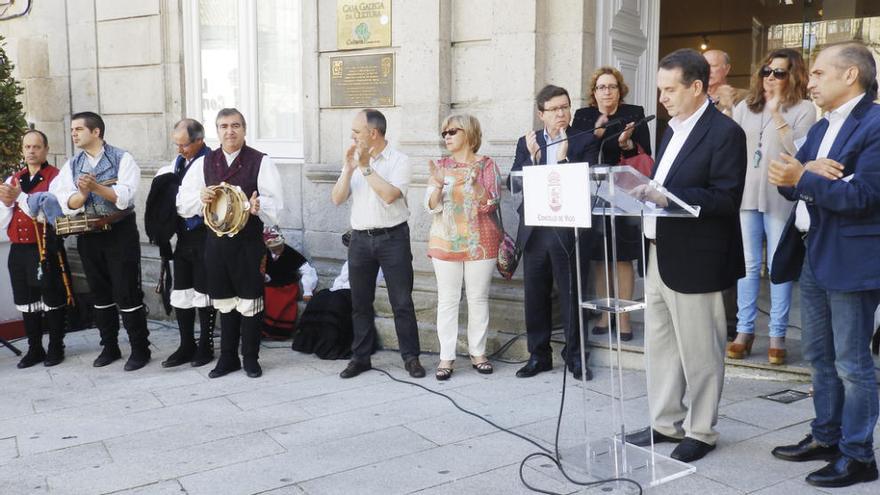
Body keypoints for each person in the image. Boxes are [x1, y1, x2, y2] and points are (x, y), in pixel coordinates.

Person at [624, 49, 746, 463]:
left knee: (700, 351)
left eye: (670, 89)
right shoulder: (671, 130)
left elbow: (726, 198)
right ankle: (665, 423)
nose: (663, 98)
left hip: (698, 259)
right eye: (660, 90)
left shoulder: (725, 133)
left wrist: (667, 195)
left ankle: (702, 430)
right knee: (660, 346)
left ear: (697, 87)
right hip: (659, 254)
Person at [768, 41, 880, 488]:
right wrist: (793, 178)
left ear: (850, 75)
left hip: (852, 259)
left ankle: (859, 455)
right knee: (819, 356)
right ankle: (826, 437)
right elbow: (795, 184)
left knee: (853, 364)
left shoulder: (875, 124)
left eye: (817, 73)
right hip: (813, 250)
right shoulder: (820, 127)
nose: (808, 80)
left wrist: (802, 178)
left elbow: (865, 197)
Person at [177, 108, 284, 379]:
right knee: (224, 300)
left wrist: (260, 207)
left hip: (248, 243)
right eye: (224, 126)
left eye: (235, 125)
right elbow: (183, 202)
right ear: (217, 131)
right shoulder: (205, 162)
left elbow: (276, 205)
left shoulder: (260, 161)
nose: (230, 131)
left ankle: (249, 358)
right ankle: (227, 358)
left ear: (244, 129)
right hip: (215, 243)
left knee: (250, 300)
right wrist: (200, 197)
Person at [728, 49, 815, 365]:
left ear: (793, 76)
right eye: (767, 71)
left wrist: (777, 114)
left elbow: (802, 152)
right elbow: (731, 148)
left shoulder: (804, 109)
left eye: (779, 72)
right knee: (748, 266)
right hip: (746, 196)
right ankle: (744, 331)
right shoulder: (744, 107)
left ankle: (777, 334)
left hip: (780, 196)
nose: (771, 78)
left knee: (779, 268)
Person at [49, 112, 151, 371]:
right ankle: (109, 347)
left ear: (96, 132)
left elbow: (124, 197)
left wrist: (95, 188)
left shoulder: (122, 158)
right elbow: (66, 200)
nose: (74, 134)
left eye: (79, 129)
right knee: (99, 292)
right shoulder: (72, 165)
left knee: (126, 290)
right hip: (88, 234)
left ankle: (140, 349)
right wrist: (82, 194)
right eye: (72, 129)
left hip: (120, 233)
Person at [509, 84, 598, 381]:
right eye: (554, 109)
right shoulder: (528, 142)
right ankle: (538, 355)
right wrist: (533, 159)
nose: (561, 113)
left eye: (565, 107)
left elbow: (590, 180)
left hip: (569, 230)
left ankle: (575, 357)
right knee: (535, 295)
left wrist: (563, 157)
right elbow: (515, 181)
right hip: (535, 229)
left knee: (573, 295)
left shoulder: (583, 140)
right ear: (541, 114)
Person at [330, 109, 425, 379]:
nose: (352, 137)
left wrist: (365, 167)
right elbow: (336, 198)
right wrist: (348, 170)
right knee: (360, 302)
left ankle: (411, 357)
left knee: (402, 301)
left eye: (356, 132)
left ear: (373, 133)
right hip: (360, 239)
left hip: (393, 238)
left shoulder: (399, 161)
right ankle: (360, 358)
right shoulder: (354, 161)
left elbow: (390, 195)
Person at [573, 67, 652, 341]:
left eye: (612, 86)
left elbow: (646, 156)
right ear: (593, 93)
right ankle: (607, 313)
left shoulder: (634, 114)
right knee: (600, 257)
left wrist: (627, 144)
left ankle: (625, 316)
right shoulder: (584, 116)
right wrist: (594, 134)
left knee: (621, 256)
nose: (607, 91)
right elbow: (576, 151)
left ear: (620, 90)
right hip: (594, 193)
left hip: (624, 193)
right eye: (601, 87)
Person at [424, 114, 501, 380]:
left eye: (452, 131)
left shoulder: (487, 165)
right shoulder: (441, 165)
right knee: (447, 299)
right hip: (445, 239)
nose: (446, 136)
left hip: (481, 241)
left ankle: (478, 353)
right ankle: (446, 357)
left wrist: (476, 184)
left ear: (468, 133)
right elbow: (430, 206)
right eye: (444, 132)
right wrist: (436, 185)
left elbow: (491, 203)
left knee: (478, 299)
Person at [146, 118, 216, 368]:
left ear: (199, 141)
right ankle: (187, 344)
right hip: (183, 239)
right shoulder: (176, 164)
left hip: (206, 235)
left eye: (184, 145)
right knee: (182, 292)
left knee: (203, 292)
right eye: (176, 144)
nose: (179, 150)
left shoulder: (211, 163)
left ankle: (205, 347)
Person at [0, 130, 68, 368]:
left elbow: (47, 215)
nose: (31, 151)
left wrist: (19, 198)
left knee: (51, 297)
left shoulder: (56, 177)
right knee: (26, 300)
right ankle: (35, 348)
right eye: (27, 147)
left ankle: (56, 347)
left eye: (36, 147)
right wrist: (7, 203)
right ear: (22, 151)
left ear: (46, 149)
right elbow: (2, 220)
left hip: (45, 246)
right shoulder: (13, 179)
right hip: (19, 250)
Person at [262, 225, 317, 339]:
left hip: (287, 286)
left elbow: (307, 271)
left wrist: (307, 291)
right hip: (268, 285)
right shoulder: (263, 253)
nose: (278, 250)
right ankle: (262, 330)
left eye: (279, 247)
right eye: (274, 248)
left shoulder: (291, 254)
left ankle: (278, 332)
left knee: (277, 299)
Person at [704, 49, 747, 117]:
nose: (708, 70)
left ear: (727, 69)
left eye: (713, 66)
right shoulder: (694, 98)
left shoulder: (743, 97)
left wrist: (729, 109)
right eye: (704, 66)